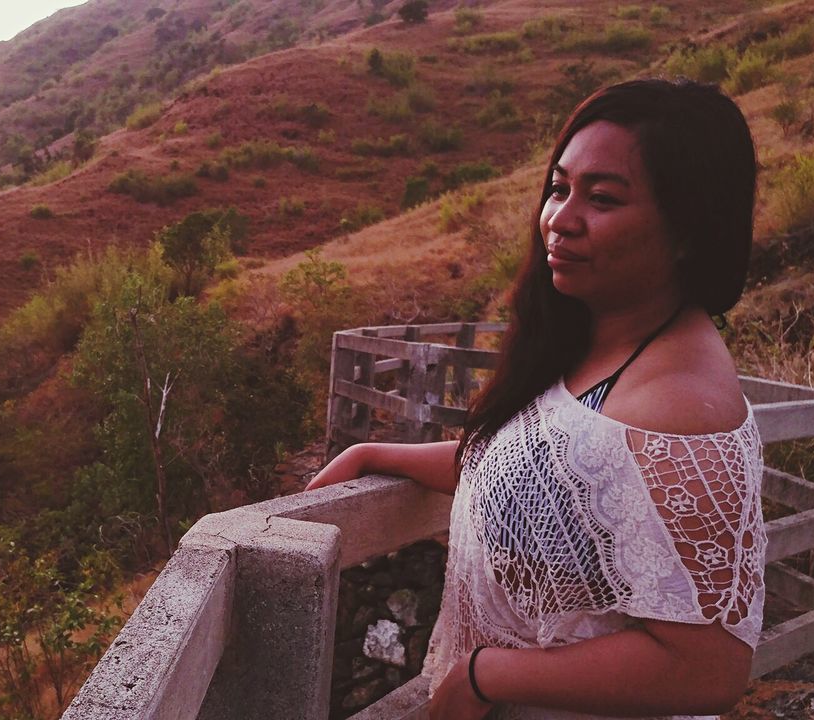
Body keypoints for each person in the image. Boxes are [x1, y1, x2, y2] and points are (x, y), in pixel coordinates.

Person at [306, 79, 765, 720]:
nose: (560, 218)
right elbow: (537, 480)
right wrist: (374, 453)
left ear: (689, 227)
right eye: (558, 188)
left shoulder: (679, 407)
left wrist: (484, 675)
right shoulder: (599, 343)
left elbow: (709, 664)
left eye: (601, 198)